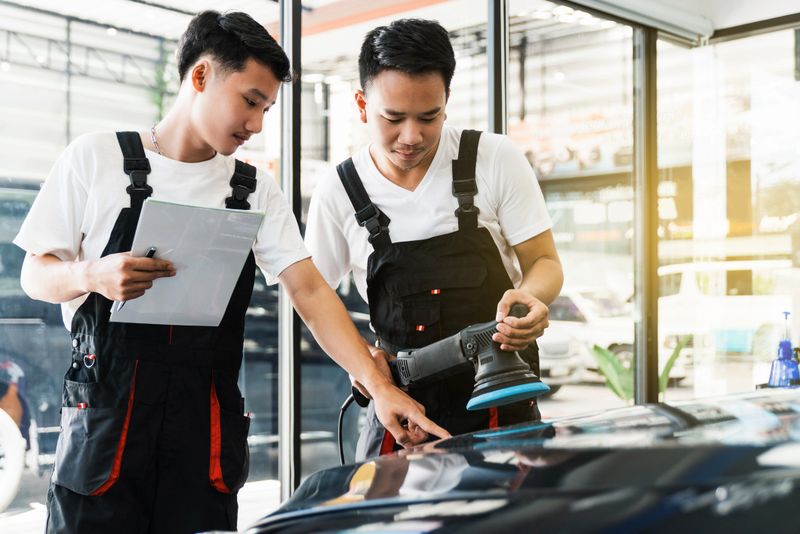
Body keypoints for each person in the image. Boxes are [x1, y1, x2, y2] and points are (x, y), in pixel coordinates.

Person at [14, 11, 446, 534]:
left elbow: (309, 290)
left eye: (266, 108)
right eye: (249, 101)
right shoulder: (96, 158)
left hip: (204, 433)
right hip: (105, 432)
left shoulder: (252, 190)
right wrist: (93, 276)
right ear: (200, 77)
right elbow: (35, 275)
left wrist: (380, 389)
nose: (257, 124)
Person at [304, 18, 563, 461]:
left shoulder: (493, 158)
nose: (412, 136)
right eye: (393, 118)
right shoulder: (339, 189)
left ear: (447, 102)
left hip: (501, 396)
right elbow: (312, 298)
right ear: (362, 104)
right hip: (403, 409)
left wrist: (532, 298)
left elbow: (545, 263)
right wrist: (368, 370)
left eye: (429, 117)